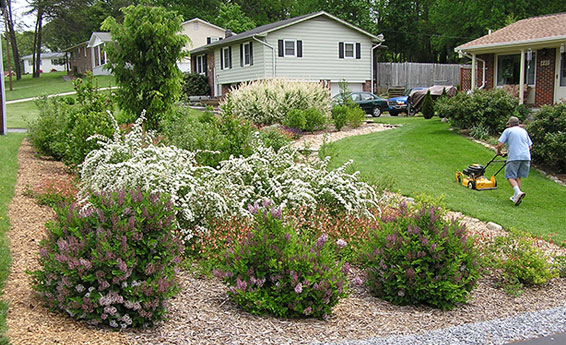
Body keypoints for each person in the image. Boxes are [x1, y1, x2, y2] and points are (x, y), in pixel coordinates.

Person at [496, 116, 532, 206]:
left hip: (514, 157)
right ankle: (516, 197)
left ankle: (518, 192)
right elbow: (530, 146)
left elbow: (500, 144)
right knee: (518, 177)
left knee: (510, 176)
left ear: (510, 124)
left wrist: (498, 152)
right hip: (526, 157)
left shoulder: (508, 131)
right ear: (518, 123)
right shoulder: (524, 131)